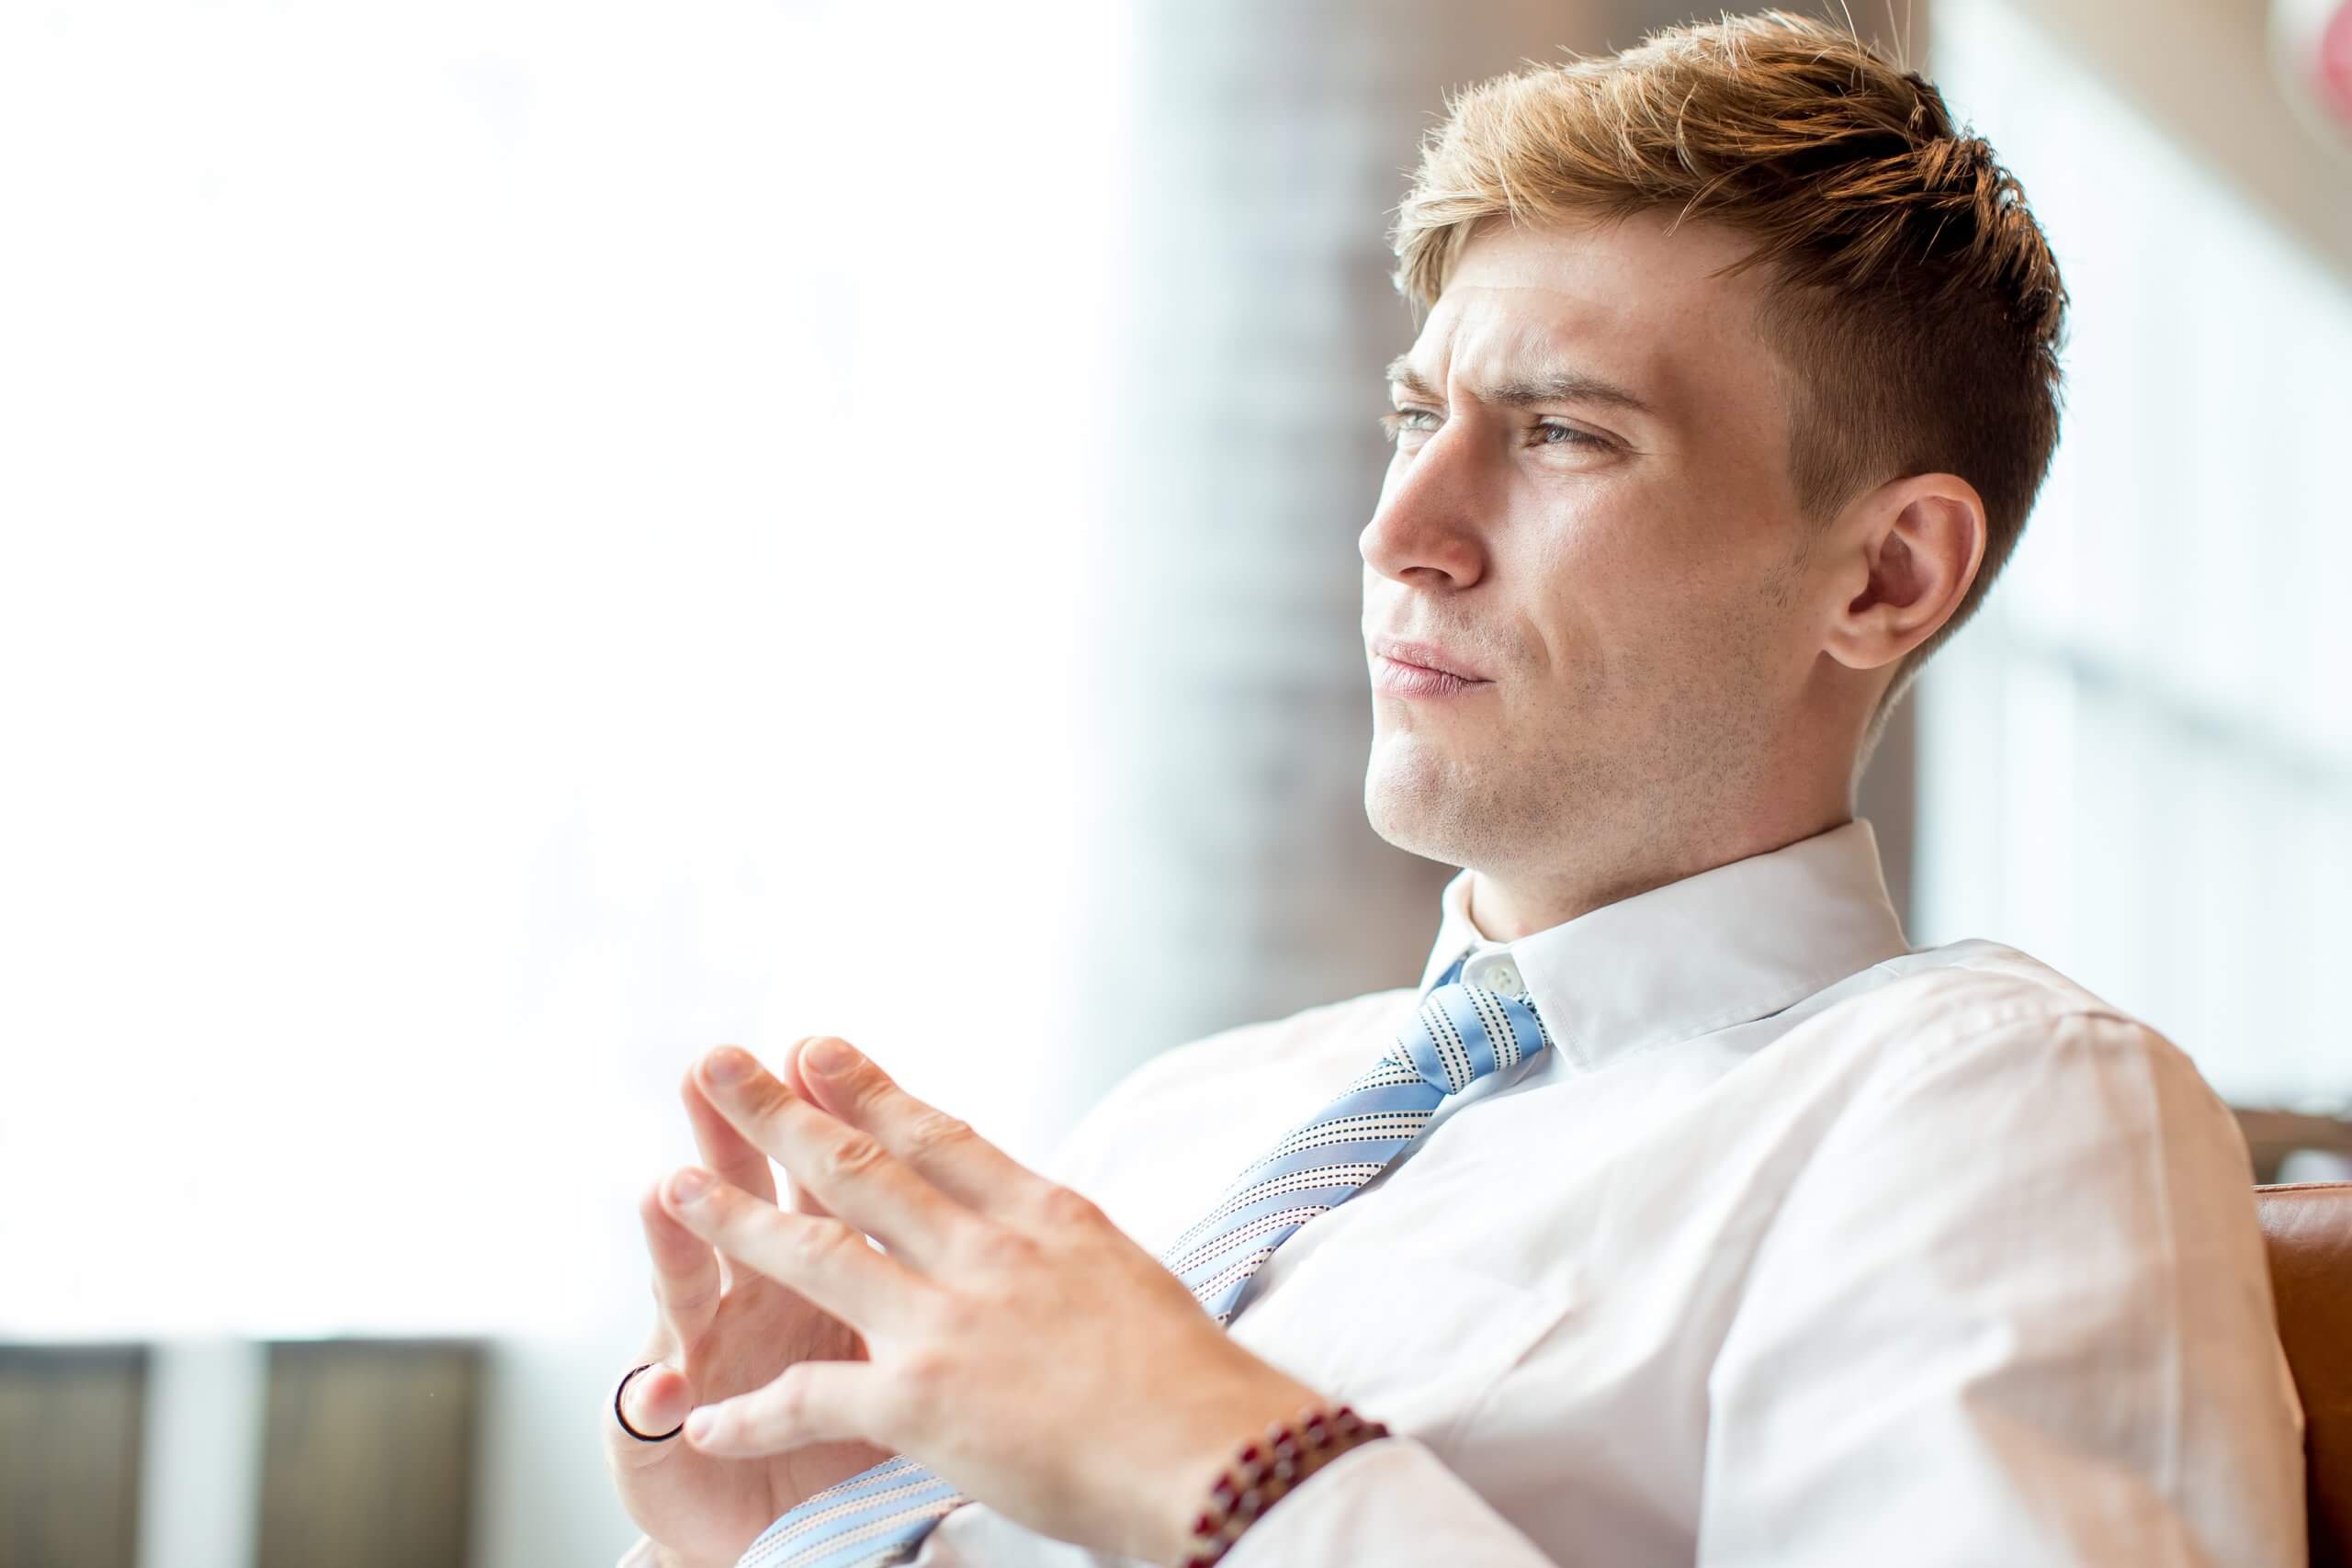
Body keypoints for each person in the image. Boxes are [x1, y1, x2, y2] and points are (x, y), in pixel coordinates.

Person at [603, 12, 2308, 1566]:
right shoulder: (1179, 1123)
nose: (1398, 531)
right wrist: (813, 1527)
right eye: (1418, 413)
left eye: (1564, 432)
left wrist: (1222, 1462)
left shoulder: (1993, 1106)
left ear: (1885, 578)